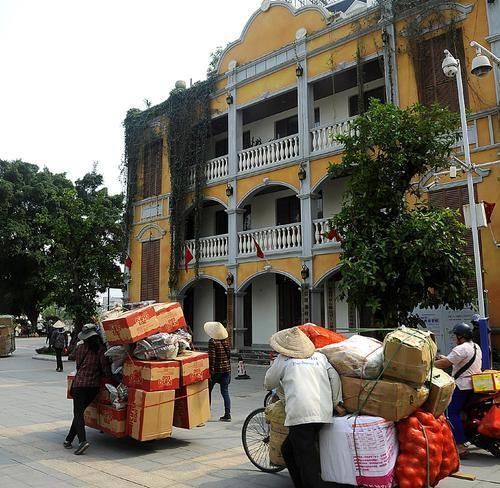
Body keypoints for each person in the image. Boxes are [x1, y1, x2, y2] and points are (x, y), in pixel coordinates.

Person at [264, 327, 343, 488]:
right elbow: (334, 377)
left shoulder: (283, 359)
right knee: (288, 450)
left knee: (308, 462)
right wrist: (337, 402)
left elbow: (268, 383)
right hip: (323, 412)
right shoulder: (319, 357)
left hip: (301, 416)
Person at [435, 322, 482, 458]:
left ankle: (460, 446)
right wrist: (443, 358)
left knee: (451, 413)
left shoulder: (461, 349)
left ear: (461, 336)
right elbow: (452, 360)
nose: (454, 338)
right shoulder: (475, 347)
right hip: (473, 385)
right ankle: (463, 437)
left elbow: (447, 363)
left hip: (461, 386)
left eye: (455, 336)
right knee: (462, 412)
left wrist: (427, 364)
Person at [65, 323, 111, 455]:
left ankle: (82, 441)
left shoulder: (81, 348)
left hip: (80, 385)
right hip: (94, 387)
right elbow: (105, 370)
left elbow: (75, 360)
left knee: (78, 413)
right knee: (79, 412)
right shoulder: (101, 350)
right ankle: (68, 439)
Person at [204, 321, 231, 422]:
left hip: (216, 371)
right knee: (225, 392)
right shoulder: (226, 341)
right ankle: (227, 414)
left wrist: (210, 372)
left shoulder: (212, 342)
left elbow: (212, 358)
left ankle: (206, 413)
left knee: (208, 390)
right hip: (226, 369)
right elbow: (228, 356)